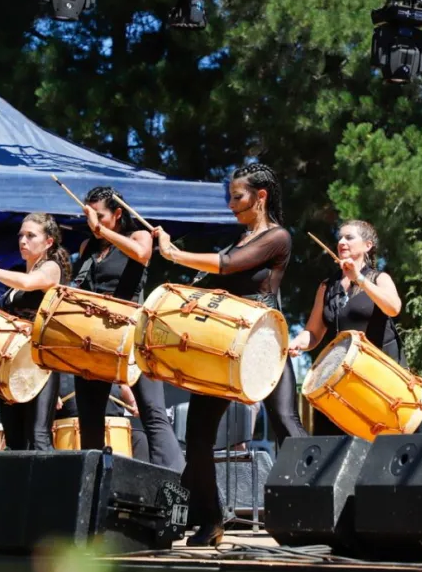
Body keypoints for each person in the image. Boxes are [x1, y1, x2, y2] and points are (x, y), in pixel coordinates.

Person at [153, 163, 308, 546]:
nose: (231, 204)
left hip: (264, 340)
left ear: (261, 197)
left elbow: (228, 266)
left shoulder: (277, 238)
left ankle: (315, 511)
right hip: (226, 344)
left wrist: (176, 254)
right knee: (198, 434)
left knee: (285, 422)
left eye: (238, 197)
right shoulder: (240, 239)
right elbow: (217, 275)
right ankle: (211, 520)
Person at [70, 187, 185, 472]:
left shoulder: (138, 236)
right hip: (95, 336)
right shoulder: (87, 247)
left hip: (132, 332)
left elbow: (142, 254)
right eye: (89, 216)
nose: (93, 223)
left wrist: (103, 231)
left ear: (118, 213)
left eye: (100, 216)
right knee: (90, 417)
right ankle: (95, 483)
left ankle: (177, 482)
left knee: (153, 412)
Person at [287, 220, 403, 436]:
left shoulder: (380, 278)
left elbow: (393, 308)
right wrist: (298, 343)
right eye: (340, 237)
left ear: (367, 245)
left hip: (378, 380)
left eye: (349, 237)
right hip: (340, 380)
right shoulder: (327, 286)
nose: (341, 242)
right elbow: (313, 332)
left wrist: (359, 279)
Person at [0, 213, 71, 451]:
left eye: (31, 236)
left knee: (38, 436)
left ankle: (47, 477)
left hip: (39, 363)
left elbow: (27, 283)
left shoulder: (51, 268)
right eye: (21, 235)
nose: (23, 241)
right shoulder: (18, 279)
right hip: (12, 365)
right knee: (14, 439)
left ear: (48, 242)